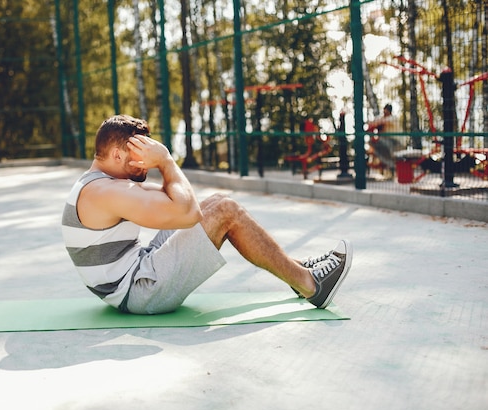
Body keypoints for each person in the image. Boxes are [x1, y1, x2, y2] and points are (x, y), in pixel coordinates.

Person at [61, 115, 353, 315]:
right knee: (226, 211)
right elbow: (187, 213)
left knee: (217, 202)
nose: (144, 165)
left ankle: (293, 268)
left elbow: (179, 201)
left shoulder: (103, 184)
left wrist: (164, 165)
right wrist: (165, 160)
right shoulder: (106, 192)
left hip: (133, 275)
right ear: (116, 155)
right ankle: (312, 285)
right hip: (138, 291)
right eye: (139, 157)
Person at [366, 103, 404, 169]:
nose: (384, 113)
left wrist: (373, 124)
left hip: (395, 142)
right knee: (372, 143)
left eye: (385, 111)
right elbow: (374, 124)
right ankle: (387, 163)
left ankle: (390, 163)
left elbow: (379, 122)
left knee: (378, 141)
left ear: (389, 111)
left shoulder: (392, 118)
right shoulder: (382, 118)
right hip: (386, 141)